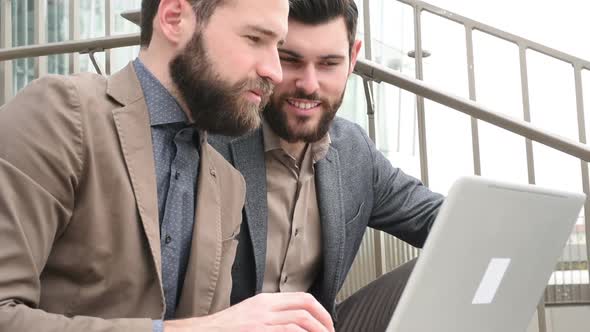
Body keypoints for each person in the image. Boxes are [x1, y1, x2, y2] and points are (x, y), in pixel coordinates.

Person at [0, 0, 335, 331]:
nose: (274, 71)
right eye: (255, 39)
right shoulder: (60, 114)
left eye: (277, 46)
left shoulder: (227, 184)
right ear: (174, 18)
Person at [209, 0, 445, 331]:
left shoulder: (353, 151)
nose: (308, 84)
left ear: (352, 58)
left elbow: (438, 218)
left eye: (328, 63)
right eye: (290, 60)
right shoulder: (210, 141)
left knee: (450, 262)